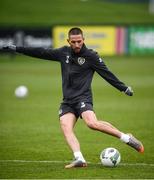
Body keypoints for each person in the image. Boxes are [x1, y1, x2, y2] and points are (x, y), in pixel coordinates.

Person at [3, 27, 144, 169]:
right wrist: (17, 49)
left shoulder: (91, 56)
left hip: (83, 98)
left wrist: (123, 88)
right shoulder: (63, 52)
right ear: (68, 41)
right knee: (66, 127)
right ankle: (79, 158)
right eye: (73, 42)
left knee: (92, 123)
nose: (77, 45)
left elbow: (107, 74)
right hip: (68, 101)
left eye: (79, 41)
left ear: (83, 40)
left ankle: (127, 138)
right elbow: (41, 52)